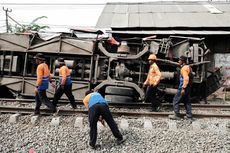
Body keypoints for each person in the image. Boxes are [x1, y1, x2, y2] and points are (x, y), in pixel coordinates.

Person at [169, 55, 193, 121]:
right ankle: (189, 116)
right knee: (187, 101)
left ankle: (176, 115)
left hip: (184, 87)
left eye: (180, 60)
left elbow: (186, 79)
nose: (178, 61)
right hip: (188, 87)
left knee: (175, 100)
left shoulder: (184, 68)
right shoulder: (188, 67)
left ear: (183, 61)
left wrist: (183, 88)